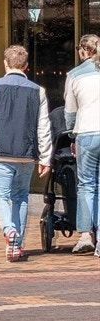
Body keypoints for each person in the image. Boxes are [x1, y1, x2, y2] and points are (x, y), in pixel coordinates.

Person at [0, 45, 53, 262]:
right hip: (26, 154)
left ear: (5, 63)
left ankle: (9, 231)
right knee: (21, 198)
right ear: (26, 66)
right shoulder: (38, 91)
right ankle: (17, 245)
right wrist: (45, 157)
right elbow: (43, 127)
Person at [63, 33, 100, 253]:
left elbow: (70, 112)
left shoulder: (75, 75)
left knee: (87, 184)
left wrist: (71, 137)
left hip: (86, 132)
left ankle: (86, 234)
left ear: (84, 51)